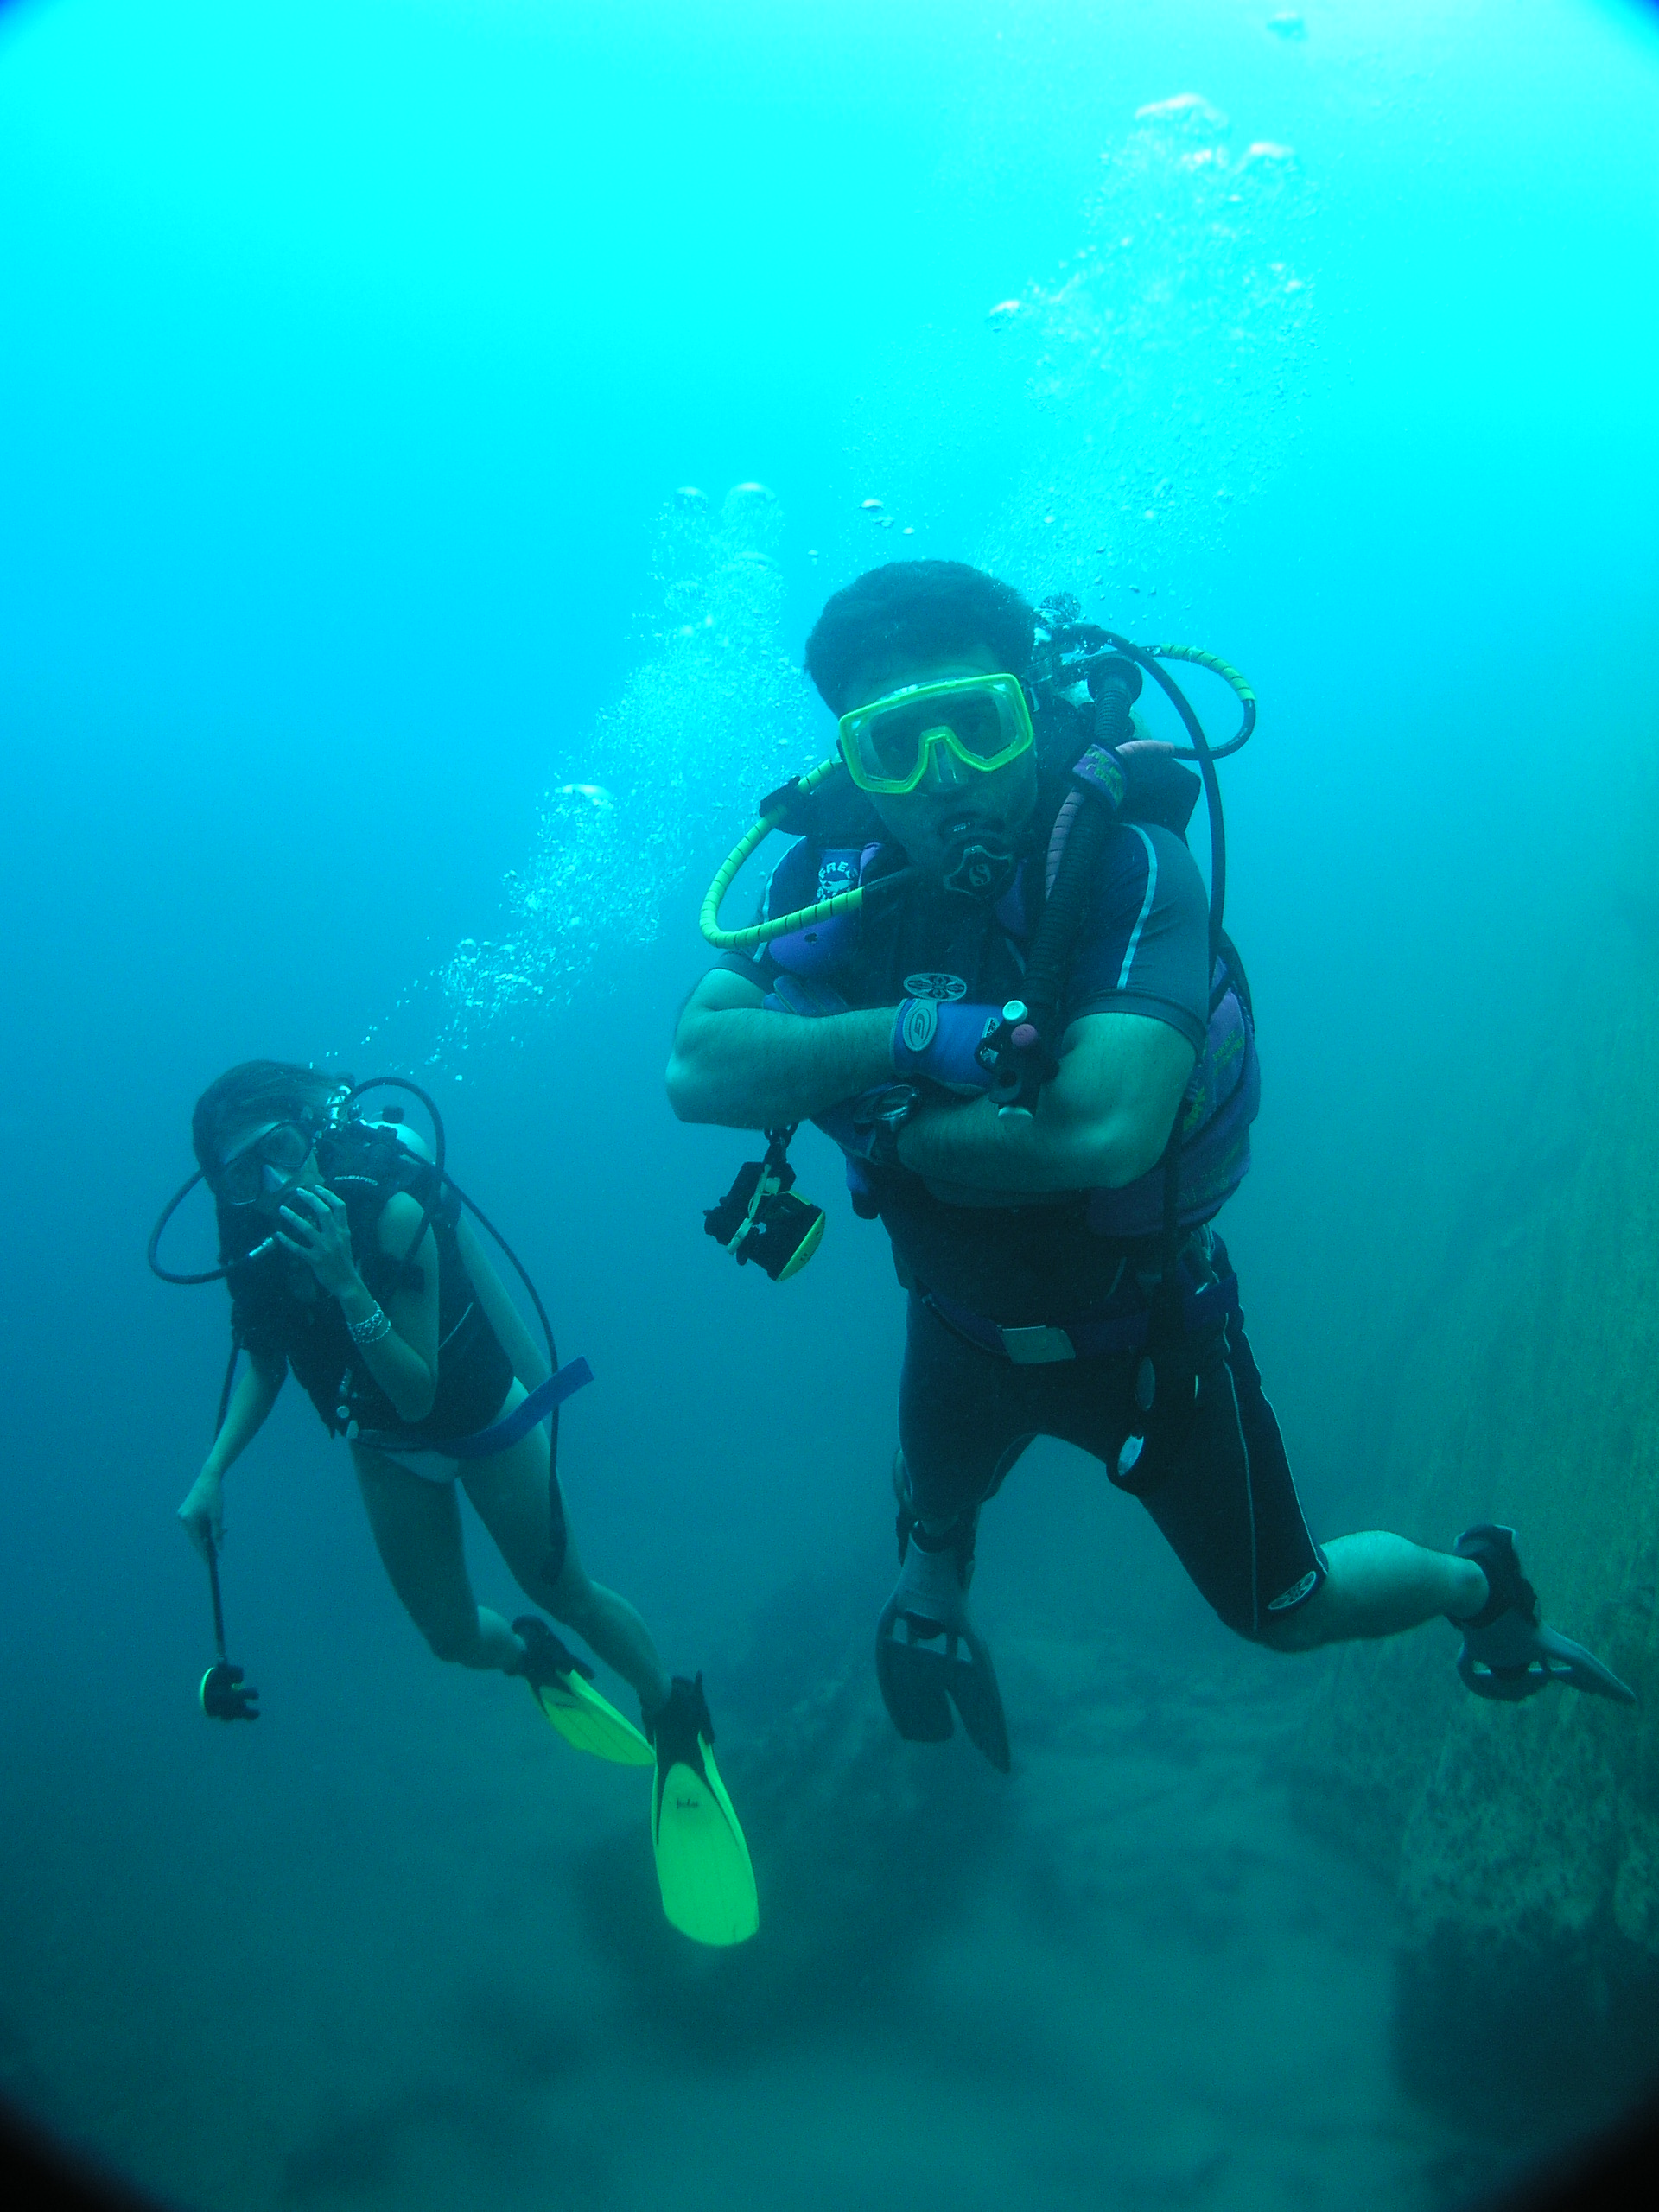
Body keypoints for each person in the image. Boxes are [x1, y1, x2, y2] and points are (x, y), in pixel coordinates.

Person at [667, 560, 1634, 1769]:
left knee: (1287, 1613)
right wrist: (915, 1037)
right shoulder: (829, 877)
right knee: (936, 1511)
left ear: (1030, 703)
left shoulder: (1124, 864)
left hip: (1146, 1338)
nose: (943, 778)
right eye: (892, 746)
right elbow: (698, 1070)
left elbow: (1100, 1132)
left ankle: (1478, 1586)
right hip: (954, 1327)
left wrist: (878, 1120)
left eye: (976, 722)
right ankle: (933, 1587)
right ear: (850, 760)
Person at [171, 1061, 756, 1943]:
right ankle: (530, 1656)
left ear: (312, 1134)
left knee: (568, 1587)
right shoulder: (249, 1239)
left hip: (482, 1415)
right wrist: (213, 1471)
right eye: (238, 1172)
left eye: (282, 1150)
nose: (268, 1183)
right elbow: (264, 1357)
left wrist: (345, 1279)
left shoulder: (392, 1211)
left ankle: (671, 1709)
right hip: (383, 1445)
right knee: (449, 1637)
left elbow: (417, 1389)